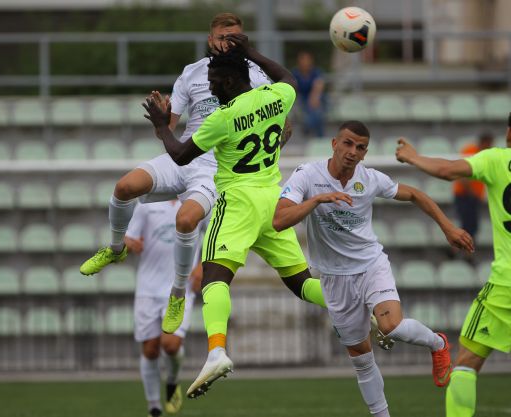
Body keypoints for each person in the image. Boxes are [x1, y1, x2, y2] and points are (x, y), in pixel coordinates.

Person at [143, 33, 334, 399]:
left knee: (213, 277)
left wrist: (161, 127)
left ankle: (216, 352)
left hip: (237, 203)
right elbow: (288, 78)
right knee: (301, 283)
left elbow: (180, 156)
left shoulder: (223, 117)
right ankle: (357, 308)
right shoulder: (276, 97)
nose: (211, 87)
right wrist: (250, 52)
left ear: (229, 81)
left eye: (215, 81)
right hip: (272, 199)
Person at [79, 13, 281, 334]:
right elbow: (169, 127)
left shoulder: (257, 76)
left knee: (185, 221)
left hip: (216, 167)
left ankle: (178, 292)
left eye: (235, 38)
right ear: (210, 40)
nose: (228, 43)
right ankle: (116, 249)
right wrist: (162, 118)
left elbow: (280, 123)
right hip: (184, 154)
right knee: (124, 187)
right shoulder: (192, 73)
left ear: (243, 41)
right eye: (222, 37)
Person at [273, 120, 475, 417]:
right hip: (334, 277)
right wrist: (317, 200)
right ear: (334, 144)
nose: (352, 152)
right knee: (361, 359)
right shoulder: (307, 175)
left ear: (365, 153)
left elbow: (415, 194)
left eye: (360, 147)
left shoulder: (370, 179)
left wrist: (448, 228)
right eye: (347, 143)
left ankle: (437, 343)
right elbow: (279, 220)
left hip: (370, 265)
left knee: (391, 326)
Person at [395, 114, 511, 417]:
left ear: (509, 133)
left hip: (506, 286)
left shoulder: (497, 159)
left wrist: (412, 156)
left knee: (466, 364)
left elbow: (447, 170)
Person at [125, 200, 200, 417]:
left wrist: (203, 265)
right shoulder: (146, 203)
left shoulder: (197, 199)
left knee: (170, 344)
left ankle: (172, 380)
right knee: (150, 350)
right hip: (148, 288)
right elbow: (128, 239)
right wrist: (129, 244)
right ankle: (154, 407)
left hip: (180, 287)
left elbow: (217, 231)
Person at [452, 131, 493, 262]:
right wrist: (472, 193)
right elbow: (463, 175)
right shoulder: (470, 151)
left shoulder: (484, 155)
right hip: (465, 195)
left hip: (472, 197)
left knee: (471, 226)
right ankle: (463, 253)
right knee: (468, 225)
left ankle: (459, 252)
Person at [291, 51, 326, 138]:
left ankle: (312, 131)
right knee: (310, 114)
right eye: (303, 60)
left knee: (316, 113)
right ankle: (311, 130)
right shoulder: (295, 73)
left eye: (307, 60)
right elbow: (293, 88)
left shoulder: (316, 72)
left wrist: (314, 98)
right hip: (301, 98)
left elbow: (318, 86)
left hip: (314, 97)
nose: (305, 62)